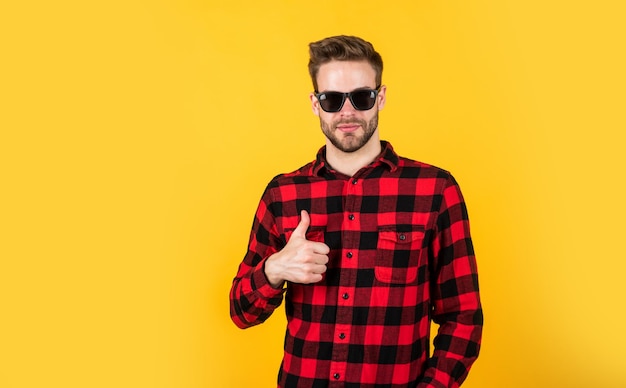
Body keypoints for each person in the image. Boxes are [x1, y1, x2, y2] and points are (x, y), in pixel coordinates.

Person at [229, 35, 483, 388]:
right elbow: (241, 313)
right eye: (332, 100)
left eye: (361, 97)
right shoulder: (283, 194)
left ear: (380, 98)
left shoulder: (436, 191)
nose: (347, 112)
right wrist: (274, 269)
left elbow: (464, 318)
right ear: (315, 104)